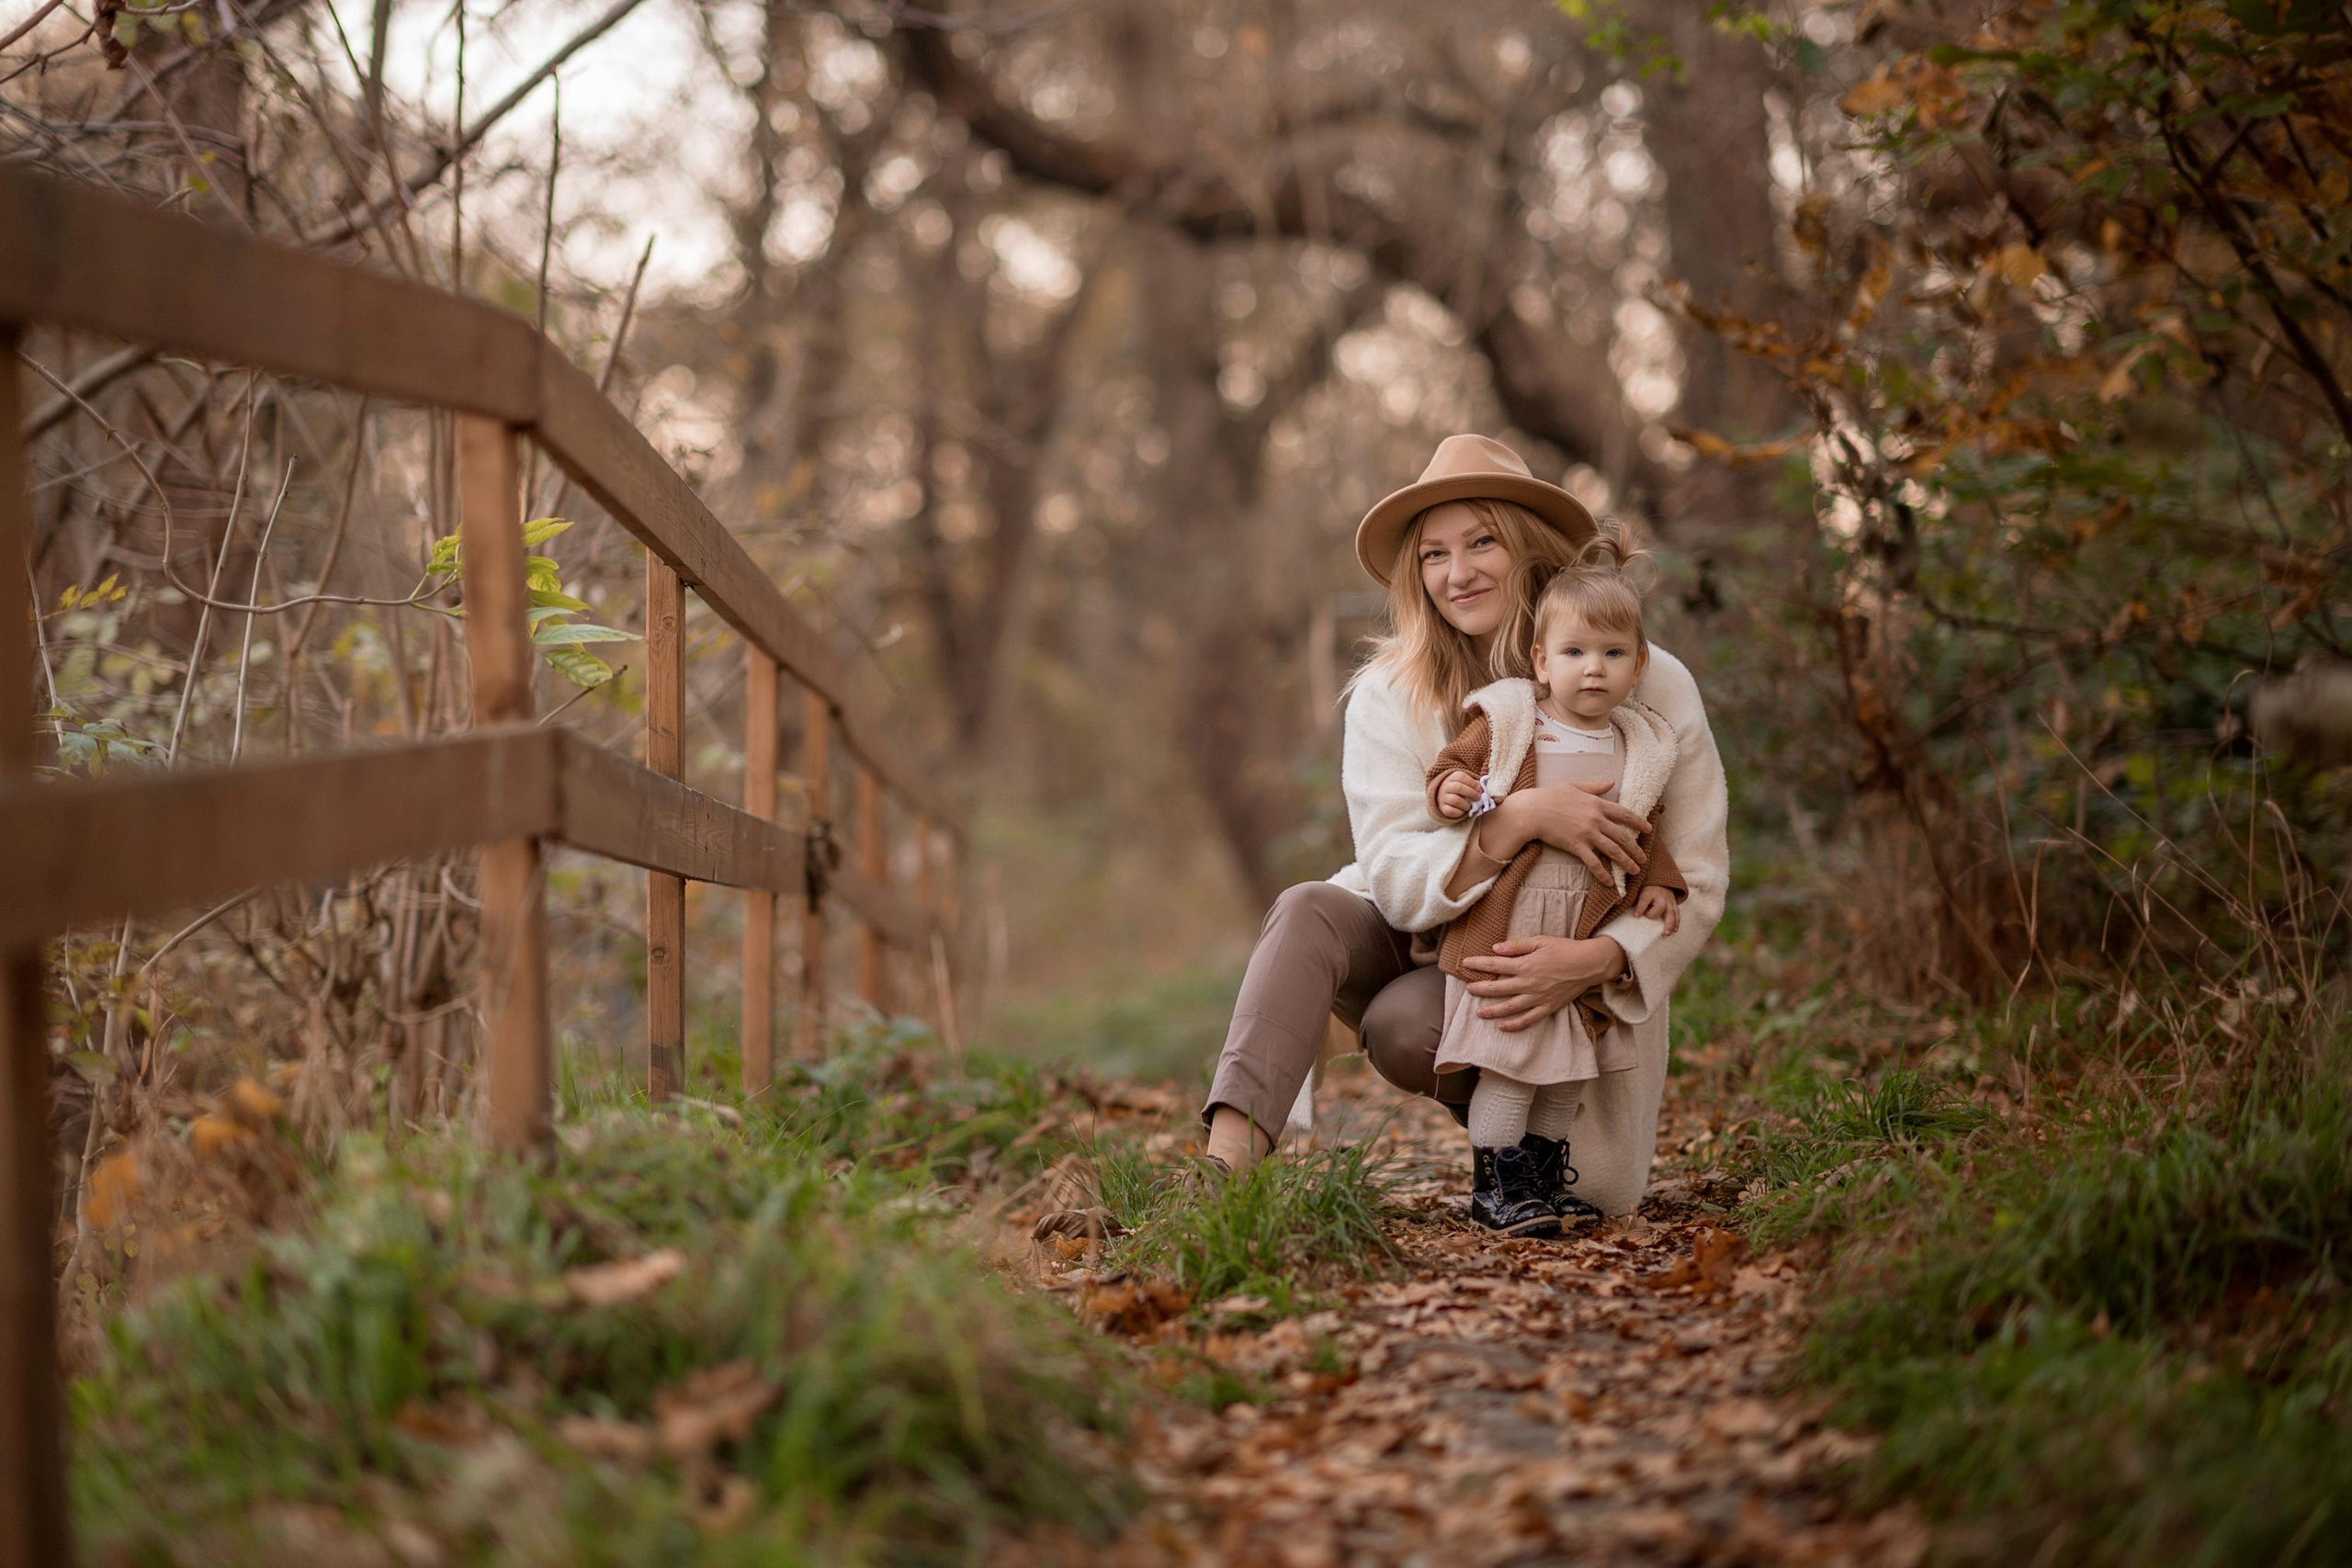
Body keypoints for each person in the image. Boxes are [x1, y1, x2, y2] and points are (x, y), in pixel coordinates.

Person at [1197, 434, 1729, 1221]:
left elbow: (1699, 875)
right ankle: (1223, 1180)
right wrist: (1511, 821)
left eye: (1483, 541)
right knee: (1309, 907)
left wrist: (1596, 958)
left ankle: (1527, 1155)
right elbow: (1393, 871)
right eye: (1434, 554)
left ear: (1529, 546)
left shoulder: (1642, 679)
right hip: (1428, 929)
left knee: (1407, 1021)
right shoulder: (1391, 691)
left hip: (1572, 965)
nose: (1459, 572)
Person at [1423, 525, 1690, 1236]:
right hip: (1515, 920)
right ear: (1542, 661)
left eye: (1611, 655)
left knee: (1566, 1071)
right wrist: (1450, 788)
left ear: (1637, 667)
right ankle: (1495, 1182)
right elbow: (1455, 764)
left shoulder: (1636, 744)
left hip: (1583, 926)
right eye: (1575, 653)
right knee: (1511, 1061)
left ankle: (1540, 1173)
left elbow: (1646, 823)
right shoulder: (1517, 722)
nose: (1593, 670)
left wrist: (1660, 882)